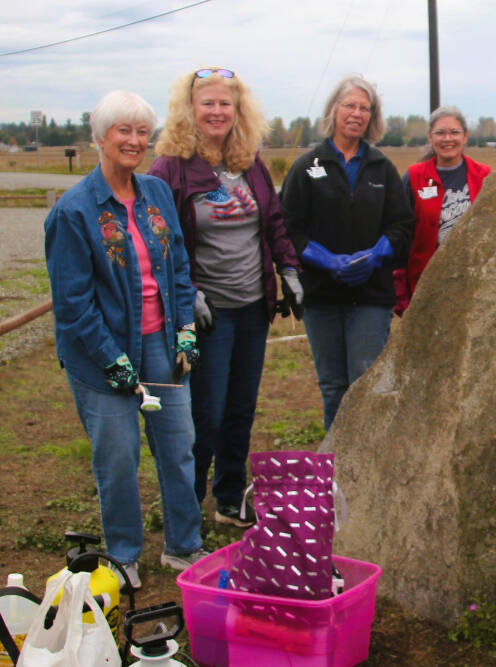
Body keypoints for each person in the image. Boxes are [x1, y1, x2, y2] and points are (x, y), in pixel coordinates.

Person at [44, 91, 208, 590]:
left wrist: (185, 330)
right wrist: (114, 362)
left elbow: (178, 266)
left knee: (180, 446)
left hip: (161, 345)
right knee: (117, 459)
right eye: (123, 131)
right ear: (99, 138)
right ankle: (122, 555)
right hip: (101, 357)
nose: (134, 141)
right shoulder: (73, 212)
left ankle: (184, 545)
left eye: (142, 132)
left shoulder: (157, 194)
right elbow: (73, 306)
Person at [148, 67, 302, 527]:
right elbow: (159, 242)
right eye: (208, 103)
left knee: (240, 409)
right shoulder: (170, 168)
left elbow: (273, 221)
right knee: (205, 415)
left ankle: (230, 497)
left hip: (253, 306)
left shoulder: (248, 162)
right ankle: (187, 508)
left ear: (239, 111)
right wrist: (186, 293)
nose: (217, 112)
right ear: (189, 110)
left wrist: (289, 267)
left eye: (225, 104)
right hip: (206, 315)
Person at [280, 75, 413, 430]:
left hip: (370, 296)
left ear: (373, 117)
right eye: (350, 105)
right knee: (334, 386)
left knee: (364, 383)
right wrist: (324, 259)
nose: (357, 114)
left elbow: (401, 225)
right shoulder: (307, 166)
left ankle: (367, 470)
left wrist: (378, 254)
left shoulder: (382, 167)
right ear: (334, 110)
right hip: (322, 296)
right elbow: (288, 228)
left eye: (365, 109)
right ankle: (336, 471)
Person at [394, 105, 490, 315]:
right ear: (430, 137)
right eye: (440, 133)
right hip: (425, 285)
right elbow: (399, 233)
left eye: (454, 132)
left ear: (465, 136)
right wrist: (400, 291)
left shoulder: (484, 176)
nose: (448, 139)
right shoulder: (414, 177)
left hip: (473, 284)